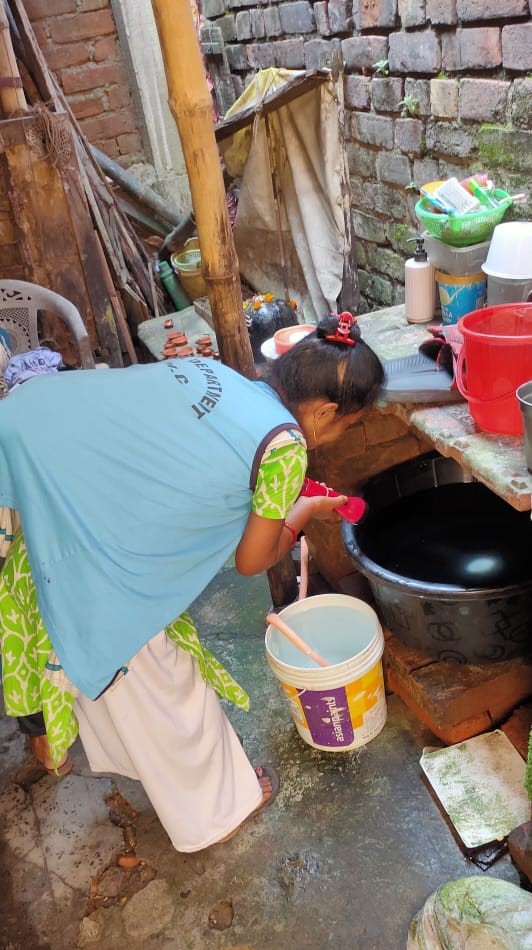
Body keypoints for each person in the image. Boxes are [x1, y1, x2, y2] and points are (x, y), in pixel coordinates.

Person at [0, 312, 384, 852]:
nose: (338, 435)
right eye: (347, 424)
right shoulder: (286, 446)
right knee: (166, 686)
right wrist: (304, 511)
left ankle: (105, 752)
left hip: (46, 473)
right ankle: (218, 813)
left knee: (131, 685)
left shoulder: (223, 377)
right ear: (324, 412)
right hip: (98, 561)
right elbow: (253, 560)